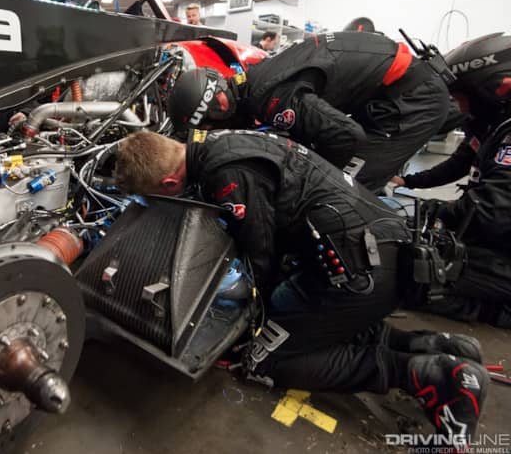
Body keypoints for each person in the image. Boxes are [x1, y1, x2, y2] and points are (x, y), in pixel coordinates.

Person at [114, 129, 488, 443]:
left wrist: (247, 325)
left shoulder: (225, 174)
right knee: (300, 318)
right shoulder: (219, 143)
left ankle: (431, 376)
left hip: (361, 270)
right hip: (380, 247)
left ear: (168, 182)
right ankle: (433, 345)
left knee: (263, 356)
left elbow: (261, 256)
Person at [166, 31, 452, 192]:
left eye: (209, 127)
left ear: (219, 105)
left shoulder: (271, 99)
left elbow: (347, 136)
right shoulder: (256, 78)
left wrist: (312, 178)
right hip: (397, 91)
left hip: (415, 101)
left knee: (345, 190)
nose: (214, 133)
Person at [390, 32, 511, 328]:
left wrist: (434, 211)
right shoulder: (492, 125)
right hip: (499, 240)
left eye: (462, 98)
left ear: (496, 90)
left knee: (417, 273)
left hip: (502, 244)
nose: (460, 107)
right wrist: (409, 183)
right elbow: (460, 163)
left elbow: (492, 212)